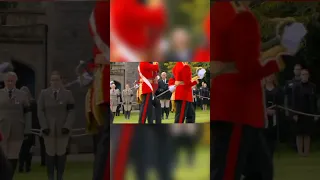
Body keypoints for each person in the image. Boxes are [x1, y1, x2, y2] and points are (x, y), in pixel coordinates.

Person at [210, 1, 300, 180]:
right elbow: (248, 69)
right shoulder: (240, 16)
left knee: (260, 171)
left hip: (234, 107)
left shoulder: (222, 10)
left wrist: (275, 50)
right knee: (229, 173)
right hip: (238, 109)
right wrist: (278, 61)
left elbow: (243, 55)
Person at [37, 71, 75, 180]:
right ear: (50, 82)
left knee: (61, 152)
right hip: (48, 129)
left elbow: (71, 111)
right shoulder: (44, 94)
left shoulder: (67, 94)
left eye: (57, 80)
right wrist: (44, 126)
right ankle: (50, 176)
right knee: (50, 153)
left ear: (61, 81)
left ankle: (60, 176)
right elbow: (40, 111)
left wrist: (67, 126)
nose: (55, 82)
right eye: (53, 80)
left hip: (62, 129)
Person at [0, 72, 31, 179]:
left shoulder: (22, 95)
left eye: (12, 81)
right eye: (7, 81)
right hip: (1, 129)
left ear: (15, 82)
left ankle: (10, 177)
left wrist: (27, 129)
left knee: (13, 155)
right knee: (2, 156)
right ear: (4, 82)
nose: (9, 83)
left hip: (17, 129)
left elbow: (27, 113)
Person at [292, 69, 318, 156]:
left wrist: (315, 113)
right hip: (299, 113)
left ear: (308, 76)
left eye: (306, 74)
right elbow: (294, 101)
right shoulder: (296, 87)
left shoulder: (313, 87)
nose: (304, 76)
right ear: (300, 76)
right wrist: (294, 113)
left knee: (307, 133)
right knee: (299, 134)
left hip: (309, 113)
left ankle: (306, 152)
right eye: (303, 74)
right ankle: (300, 153)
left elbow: (315, 101)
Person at [18, 86, 37, 173]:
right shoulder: (19, 105)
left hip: (30, 130)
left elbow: (35, 118)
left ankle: (27, 166)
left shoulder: (32, 104)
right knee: (23, 149)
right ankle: (22, 166)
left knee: (28, 149)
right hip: (21, 130)